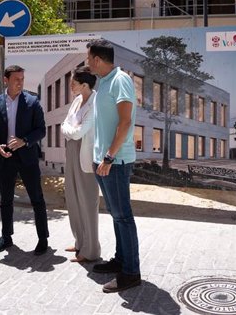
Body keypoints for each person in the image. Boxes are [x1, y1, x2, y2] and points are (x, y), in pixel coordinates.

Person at [86, 39, 141, 293]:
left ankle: (131, 273)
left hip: (115, 161)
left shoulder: (121, 80)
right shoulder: (103, 82)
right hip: (103, 161)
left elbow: (126, 122)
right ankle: (121, 261)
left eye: (89, 58)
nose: (87, 63)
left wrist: (109, 156)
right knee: (116, 215)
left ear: (97, 59)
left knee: (123, 216)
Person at [0, 65, 49, 255]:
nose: (20, 83)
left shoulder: (32, 102)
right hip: (5, 159)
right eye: (16, 79)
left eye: (22, 79)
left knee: (37, 199)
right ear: (6, 80)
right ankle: (6, 237)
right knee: (5, 200)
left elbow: (41, 130)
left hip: (27, 158)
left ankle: (43, 238)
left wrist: (25, 141)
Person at [61, 66, 101, 263]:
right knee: (73, 198)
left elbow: (77, 132)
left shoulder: (95, 102)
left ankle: (91, 249)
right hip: (71, 153)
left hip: (85, 156)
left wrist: (71, 130)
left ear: (85, 85)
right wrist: (71, 129)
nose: (70, 86)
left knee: (88, 201)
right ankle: (79, 242)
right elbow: (64, 126)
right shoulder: (77, 101)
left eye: (73, 83)